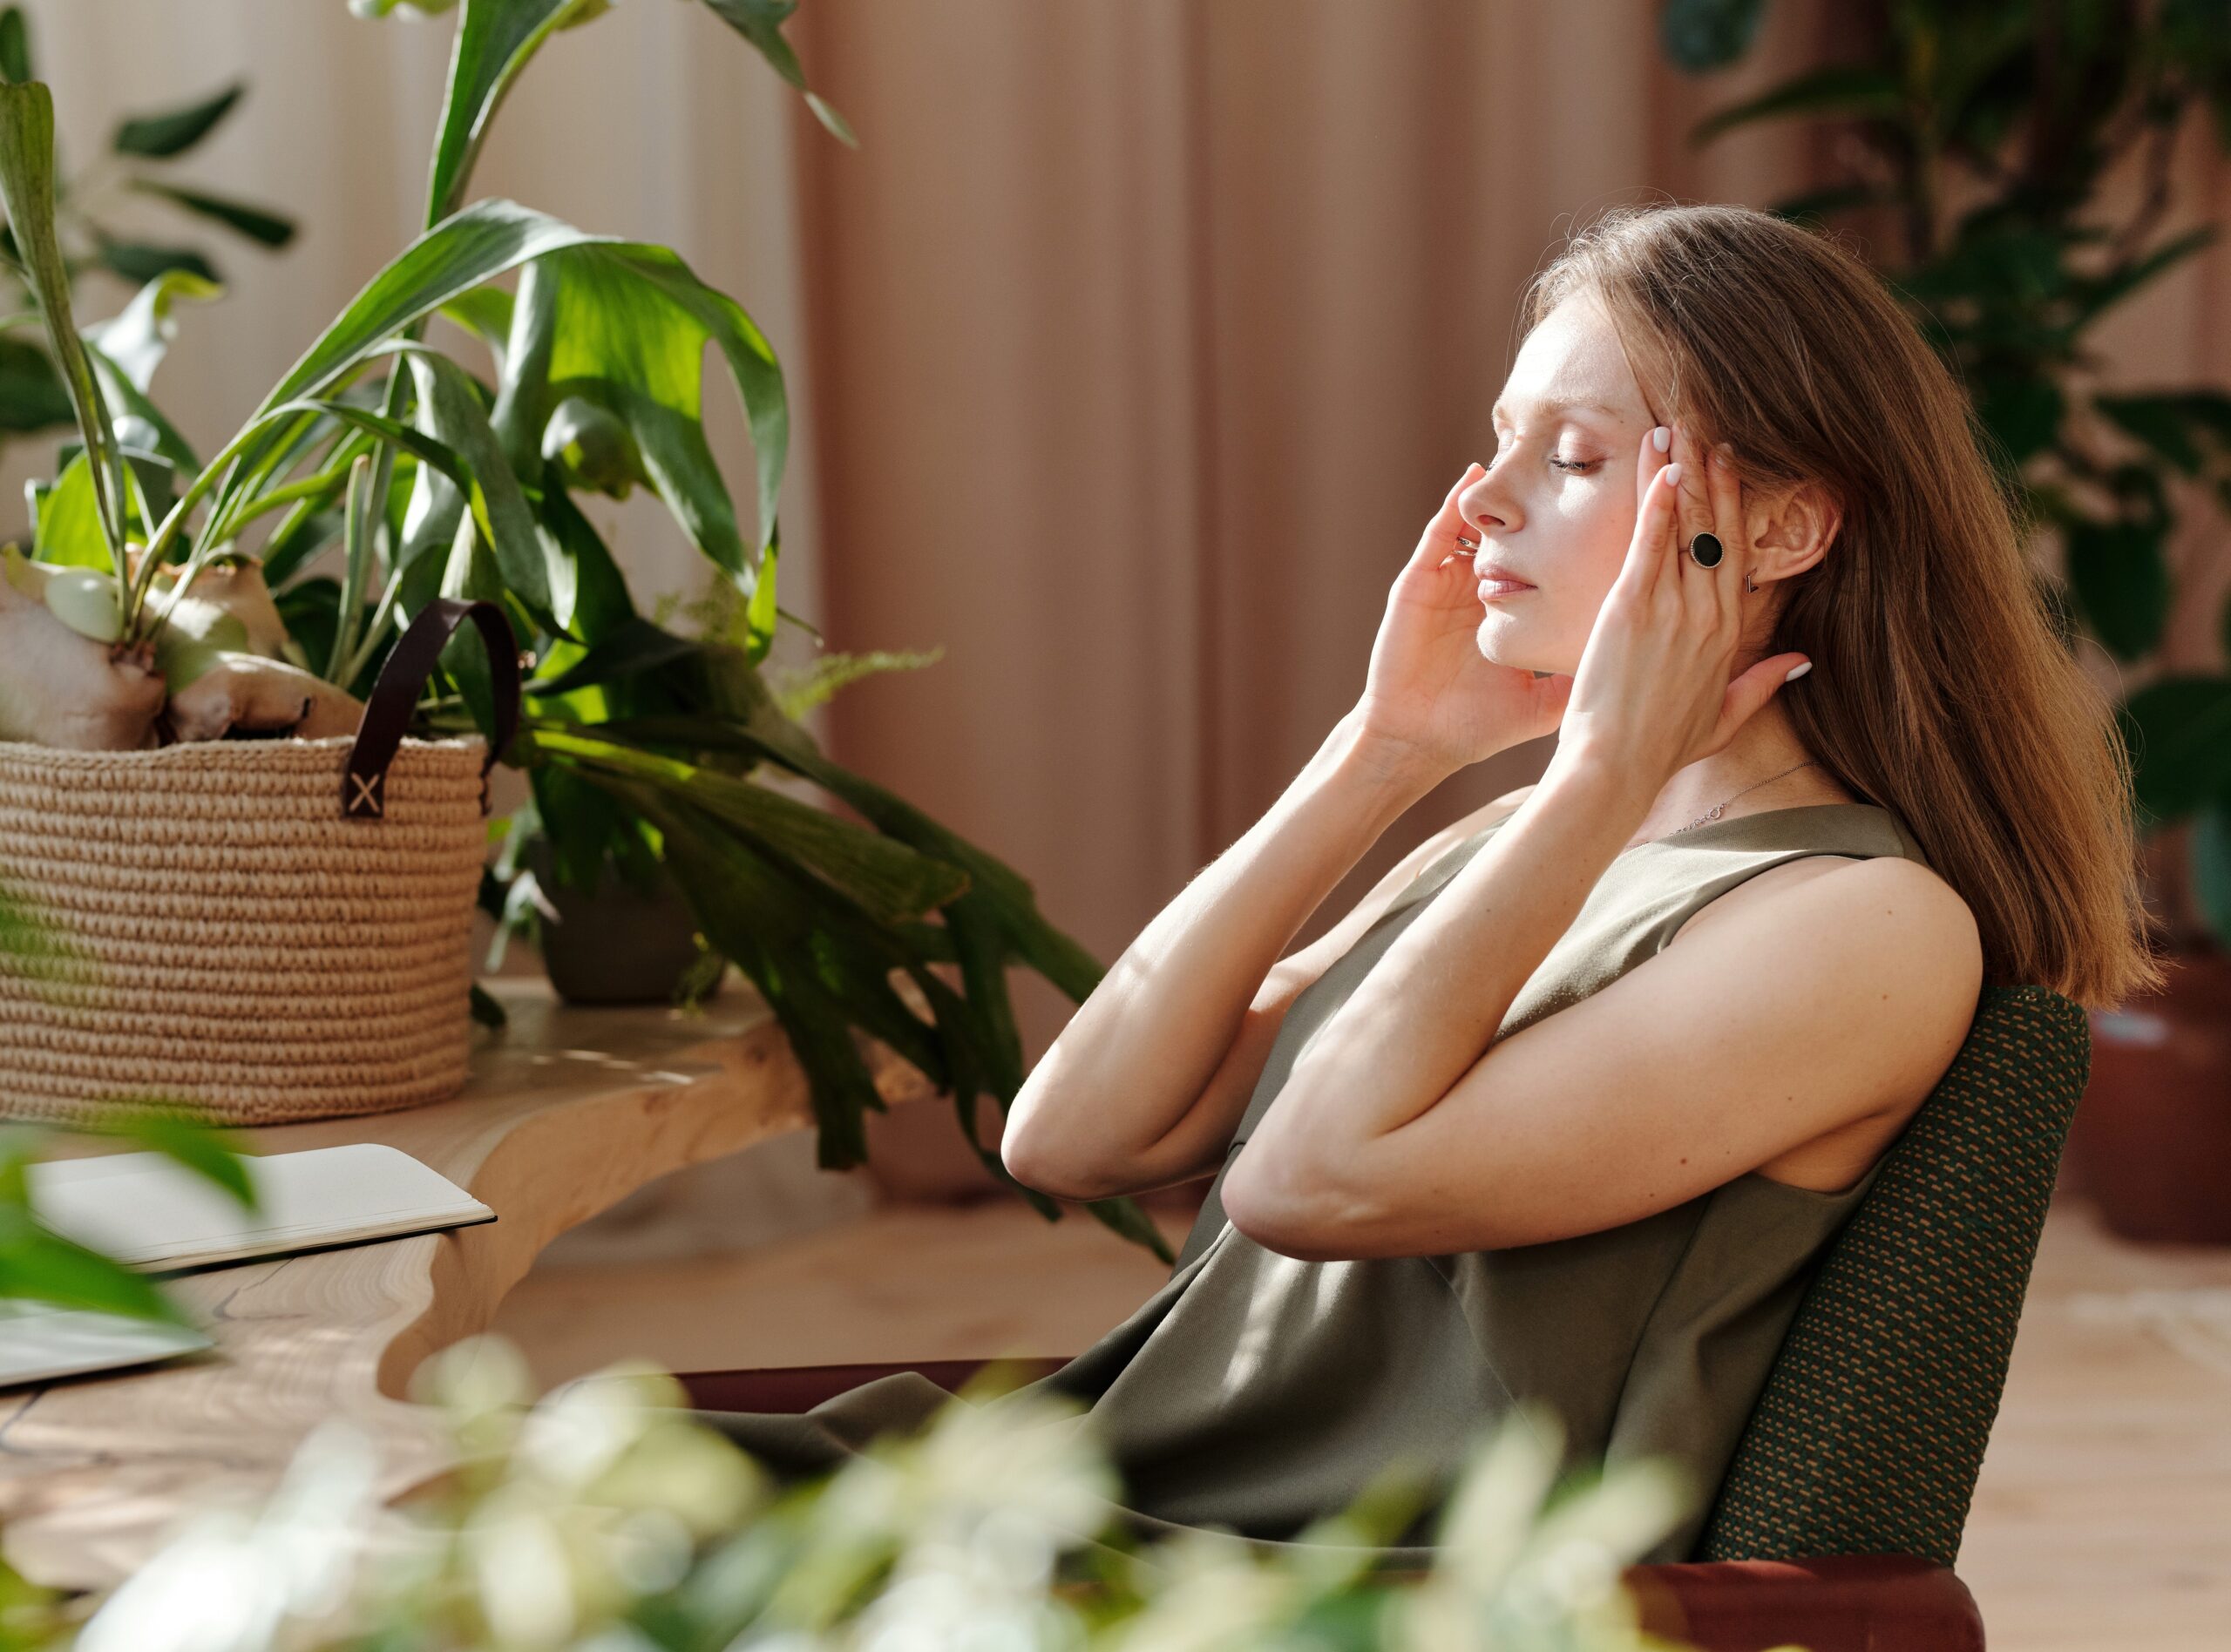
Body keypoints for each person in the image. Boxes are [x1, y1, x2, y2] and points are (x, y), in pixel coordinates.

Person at [686, 200, 2163, 1565]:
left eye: (1572, 458)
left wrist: (1588, 785)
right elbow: (1069, 1137)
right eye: (1498, 445)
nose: (1481, 509)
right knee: (482, 1469)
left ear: (1777, 527)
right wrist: (1382, 751)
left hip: (1270, 1585)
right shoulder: (1520, 848)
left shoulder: (1860, 927)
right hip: (1070, 1495)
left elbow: (1305, 1178)